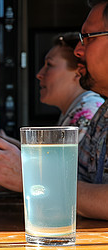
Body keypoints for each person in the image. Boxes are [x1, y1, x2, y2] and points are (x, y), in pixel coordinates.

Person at [0, 32, 104, 193]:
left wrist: (26, 181)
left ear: (78, 71)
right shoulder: (79, 109)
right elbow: (55, 165)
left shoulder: (87, 109)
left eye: (49, 65)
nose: (39, 74)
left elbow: (62, 176)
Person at [72, 0, 108, 220]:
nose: (77, 50)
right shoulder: (104, 111)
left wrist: (28, 178)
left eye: (88, 38)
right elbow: (77, 175)